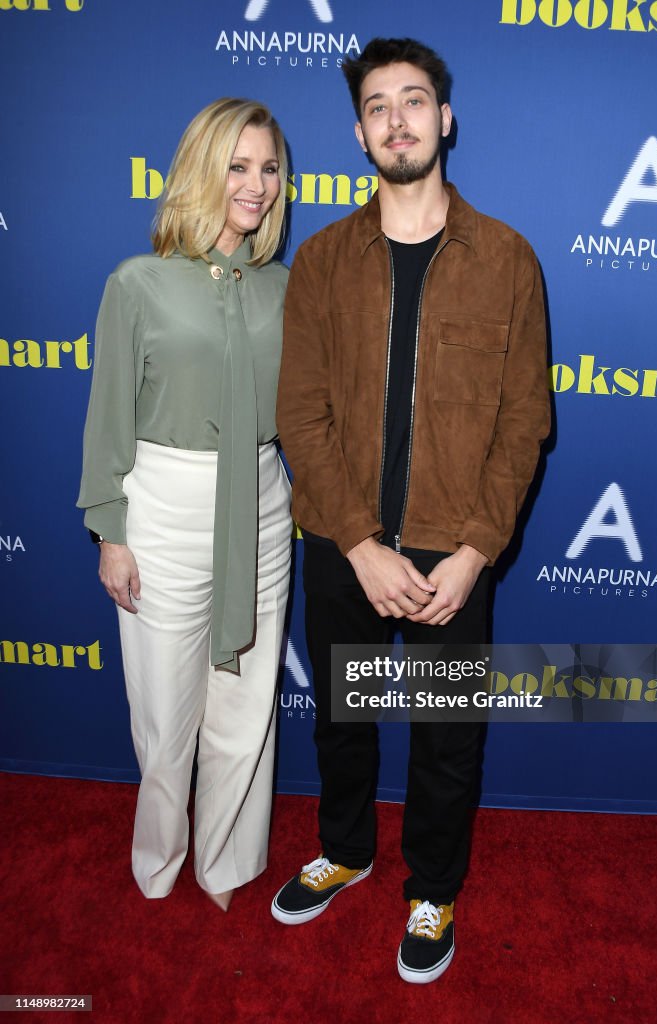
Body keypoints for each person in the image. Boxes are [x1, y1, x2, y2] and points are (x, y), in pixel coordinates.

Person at [272, 39, 550, 982]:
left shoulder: (507, 259)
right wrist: (354, 540)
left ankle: (433, 888)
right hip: (345, 543)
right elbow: (299, 413)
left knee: (444, 735)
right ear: (358, 132)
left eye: (415, 100)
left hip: (450, 554)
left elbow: (524, 423)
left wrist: (474, 552)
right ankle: (346, 849)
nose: (397, 120)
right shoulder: (319, 261)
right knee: (342, 722)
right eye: (379, 106)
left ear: (445, 120)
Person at [77, 98, 292, 911]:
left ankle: (229, 865)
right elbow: (109, 418)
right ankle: (159, 861)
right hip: (164, 508)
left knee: (245, 709)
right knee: (165, 718)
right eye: (238, 165)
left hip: (267, 506)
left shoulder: (284, 288)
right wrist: (111, 530)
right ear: (201, 170)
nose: (257, 184)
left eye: (269, 168)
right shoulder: (137, 283)